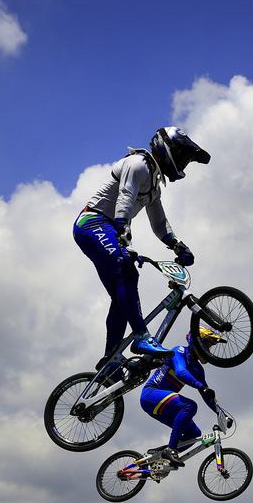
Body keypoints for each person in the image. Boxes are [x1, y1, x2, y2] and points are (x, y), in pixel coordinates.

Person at [73, 126, 210, 372]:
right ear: (165, 148)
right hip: (93, 222)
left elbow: (159, 222)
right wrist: (123, 234)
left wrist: (177, 245)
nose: (182, 163)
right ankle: (141, 337)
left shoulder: (154, 185)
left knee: (122, 295)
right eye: (181, 156)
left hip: (107, 228)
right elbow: (125, 197)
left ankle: (111, 360)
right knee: (127, 270)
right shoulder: (137, 164)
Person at [138, 328, 224, 468]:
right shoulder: (179, 351)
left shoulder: (197, 369)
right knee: (190, 406)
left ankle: (157, 458)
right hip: (151, 394)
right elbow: (181, 372)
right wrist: (200, 385)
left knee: (193, 434)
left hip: (164, 404)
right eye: (208, 345)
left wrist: (222, 414)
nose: (209, 350)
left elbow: (206, 395)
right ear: (197, 341)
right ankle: (170, 450)